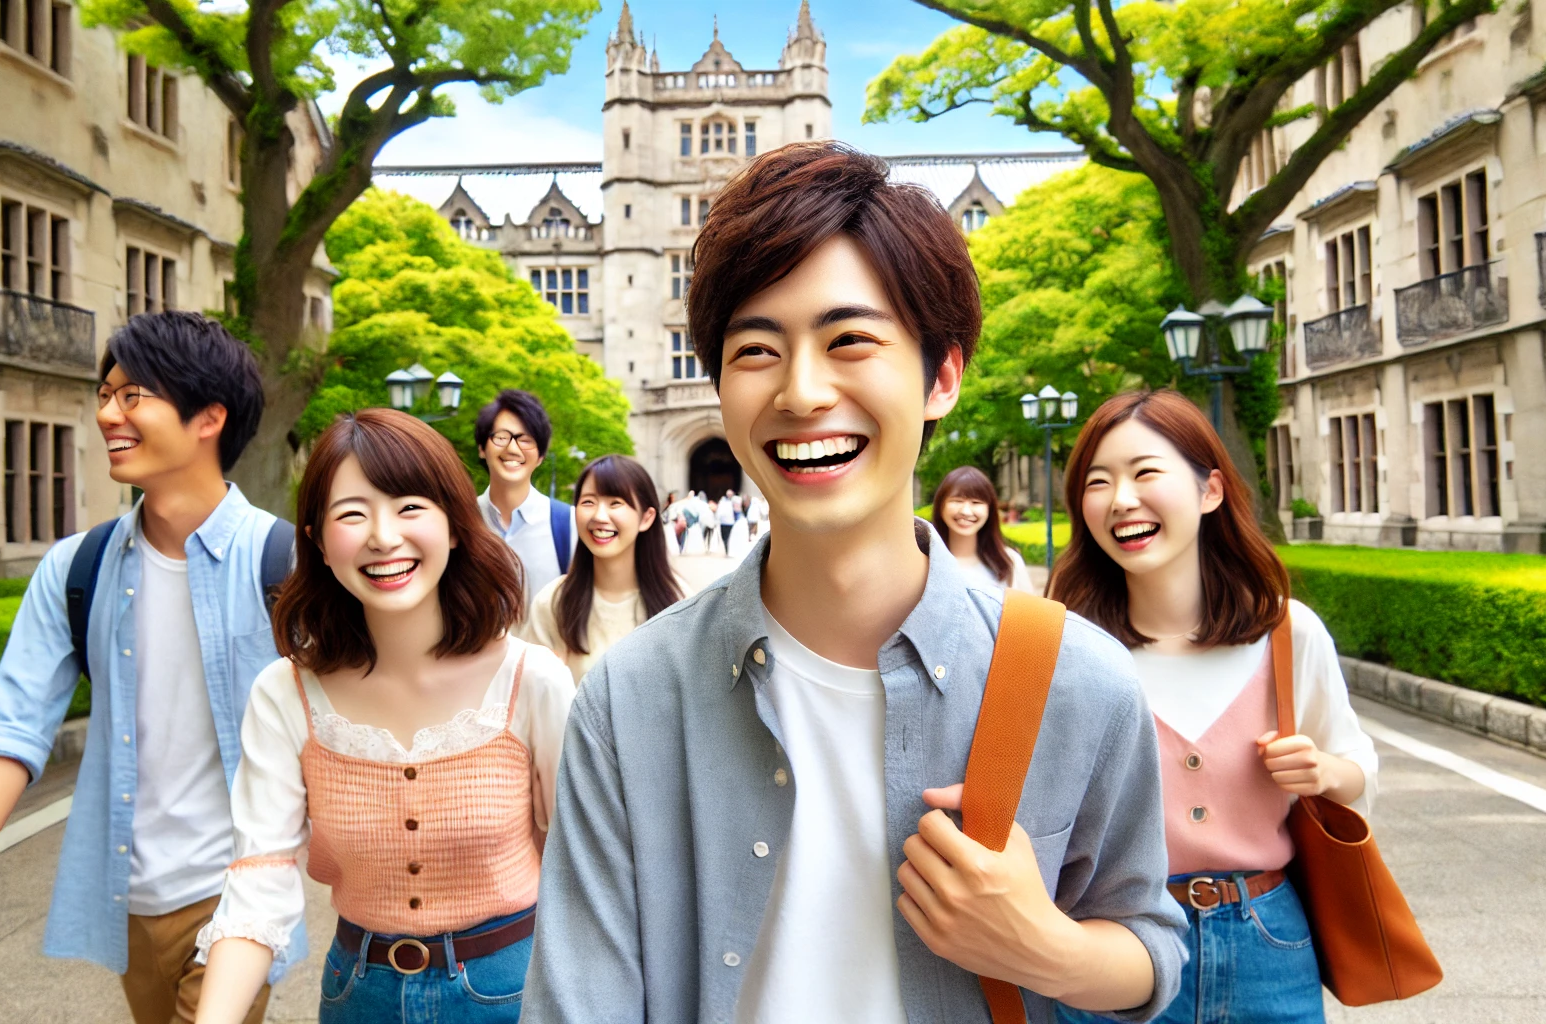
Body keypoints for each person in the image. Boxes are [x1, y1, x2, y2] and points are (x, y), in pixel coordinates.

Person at [522, 141, 1184, 1024]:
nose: (802, 392)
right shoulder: (628, 699)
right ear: (717, 383)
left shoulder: (1078, 678)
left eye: (851, 340)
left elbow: (1150, 945)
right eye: (756, 349)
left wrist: (1045, 948)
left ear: (941, 375)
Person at [0, 312, 291, 1024]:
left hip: (240, 891)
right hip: (131, 895)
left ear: (209, 417)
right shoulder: (75, 568)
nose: (108, 413)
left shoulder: (286, 565)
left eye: (133, 394)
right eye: (105, 394)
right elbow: (14, 725)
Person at [192, 408, 575, 1024]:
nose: (382, 535)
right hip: (357, 995)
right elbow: (259, 877)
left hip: (514, 988)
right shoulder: (285, 693)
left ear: (455, 525)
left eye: (409, 506)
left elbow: (580, 863)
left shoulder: (532, 681)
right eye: (352, 513)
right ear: (316, 539)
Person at [1049, 390, 1376, 1024]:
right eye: (1098, 481)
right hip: (1113, 946)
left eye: (1145, 472)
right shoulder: (1063, 648)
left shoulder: (1287, 633)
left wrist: (1326, 773)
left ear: (1210, 491)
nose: (1121, 500)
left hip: (1268, 942)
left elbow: (1354, 758)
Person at [521, 455, 686, 682]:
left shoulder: (681, 603)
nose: (599, 516)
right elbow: (530, 695)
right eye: (588, 502)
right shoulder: (553, 602)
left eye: (615, 503)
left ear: (646, 518)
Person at [475, 389, 576, 602]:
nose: (512, 448)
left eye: (526, 439)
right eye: (501, 437)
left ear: (540, 456)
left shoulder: (569, 525)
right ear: (482, 449)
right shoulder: (460, 521)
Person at [931, 466, 1035, 595]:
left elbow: (1029, 613)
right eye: (957, 501)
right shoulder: (924, 562)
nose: (966, 511)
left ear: (990, 510)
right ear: (940, 506)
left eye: (976, 502)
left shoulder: (1009, 561)